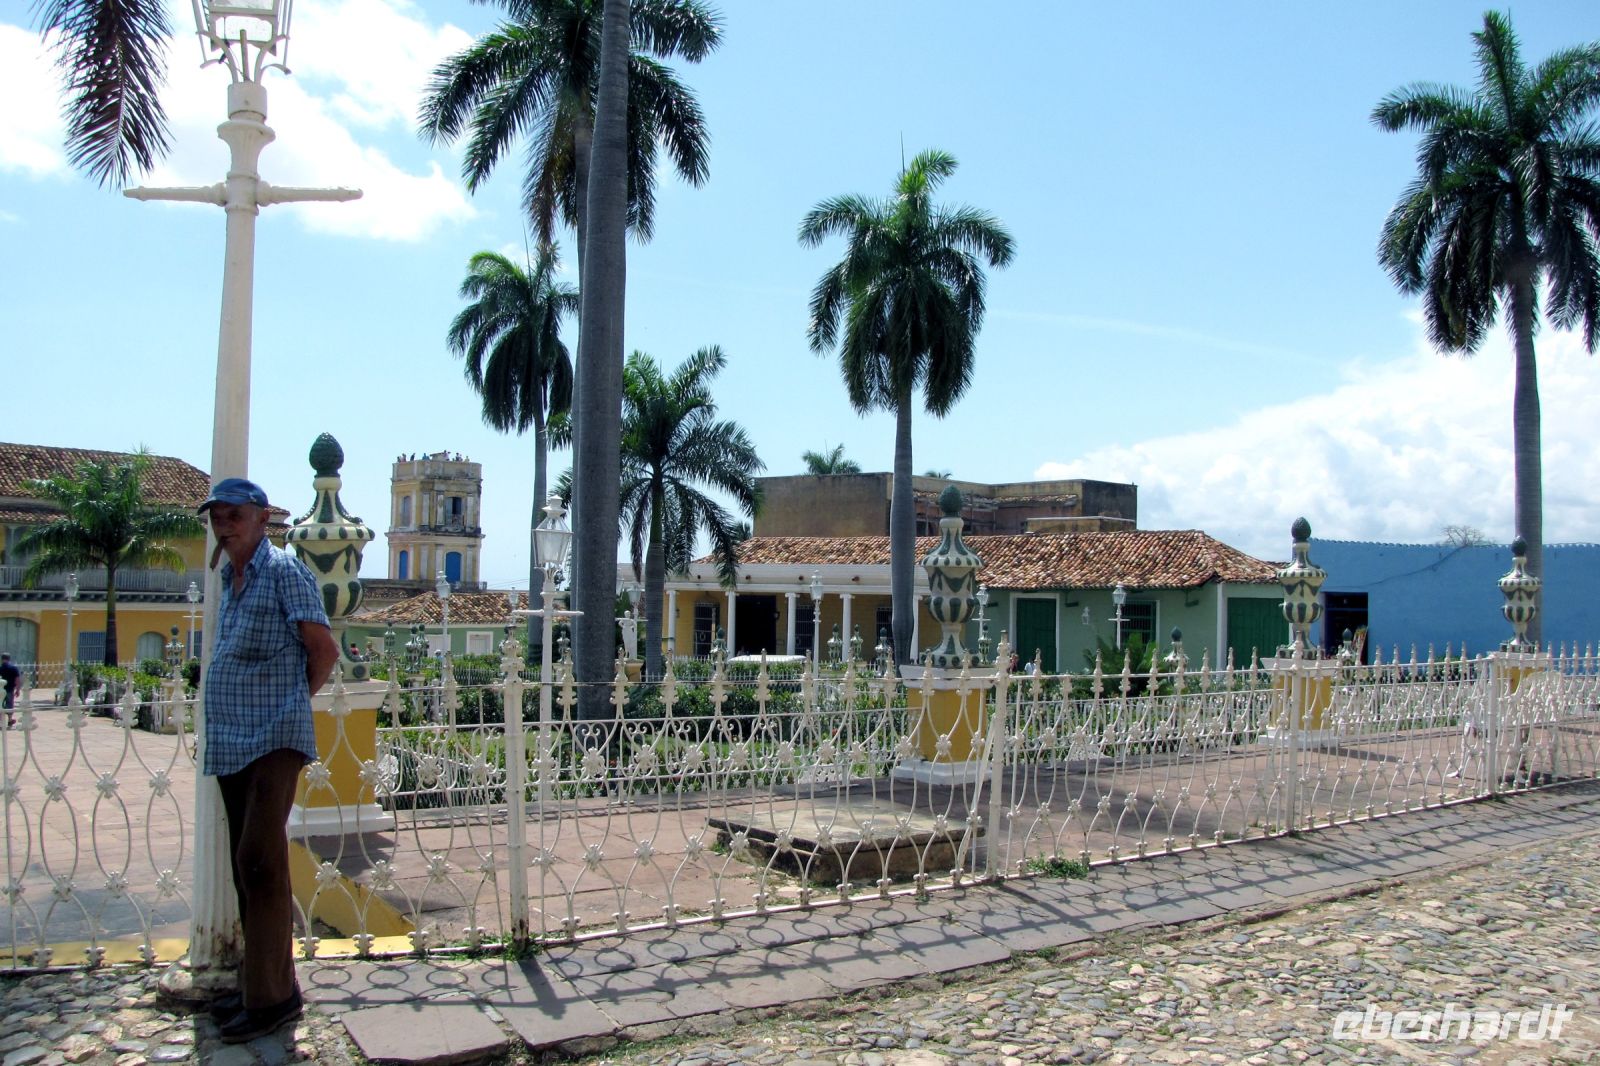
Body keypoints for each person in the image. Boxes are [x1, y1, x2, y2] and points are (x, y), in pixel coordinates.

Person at [199, 478, 338, 1044]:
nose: (224, 525)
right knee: (245, 865)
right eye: (217, 517)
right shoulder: (229, 579)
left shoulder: (283, 571)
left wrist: (290, 703)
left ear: (261, 518)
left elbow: (323, 649)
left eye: (234, 515)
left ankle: (272, 1001)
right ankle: (262, 984)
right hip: (231, 738)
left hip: (273, 735)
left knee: (259, 860)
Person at [2, 653, 20, 729]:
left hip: (1, 689)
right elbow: (17, 680)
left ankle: (1, 721)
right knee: (10, 705)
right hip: (10, 689)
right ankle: (9, 720)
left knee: (0, 704)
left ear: (2, 659)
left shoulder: (0, 668)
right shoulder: (13, 668)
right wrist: (18, 690)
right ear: (9, 659)